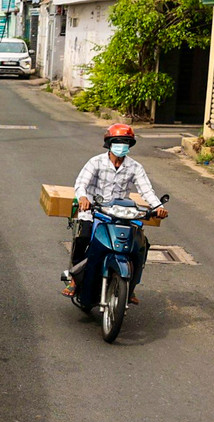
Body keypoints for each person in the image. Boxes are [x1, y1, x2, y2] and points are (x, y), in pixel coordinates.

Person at [63, 123, 168, 302]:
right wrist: (83, 198)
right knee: (83, 237)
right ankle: (74, 278)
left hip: (120, 213)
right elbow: (81, 184)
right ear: (109, 144)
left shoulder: (135, 167)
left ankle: (131, 286)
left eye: (126, 142)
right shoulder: (95, 162)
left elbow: (146, 190)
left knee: (140, 244)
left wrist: (158, 206)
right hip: (94, 211)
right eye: (118, 141)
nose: (122, 145)